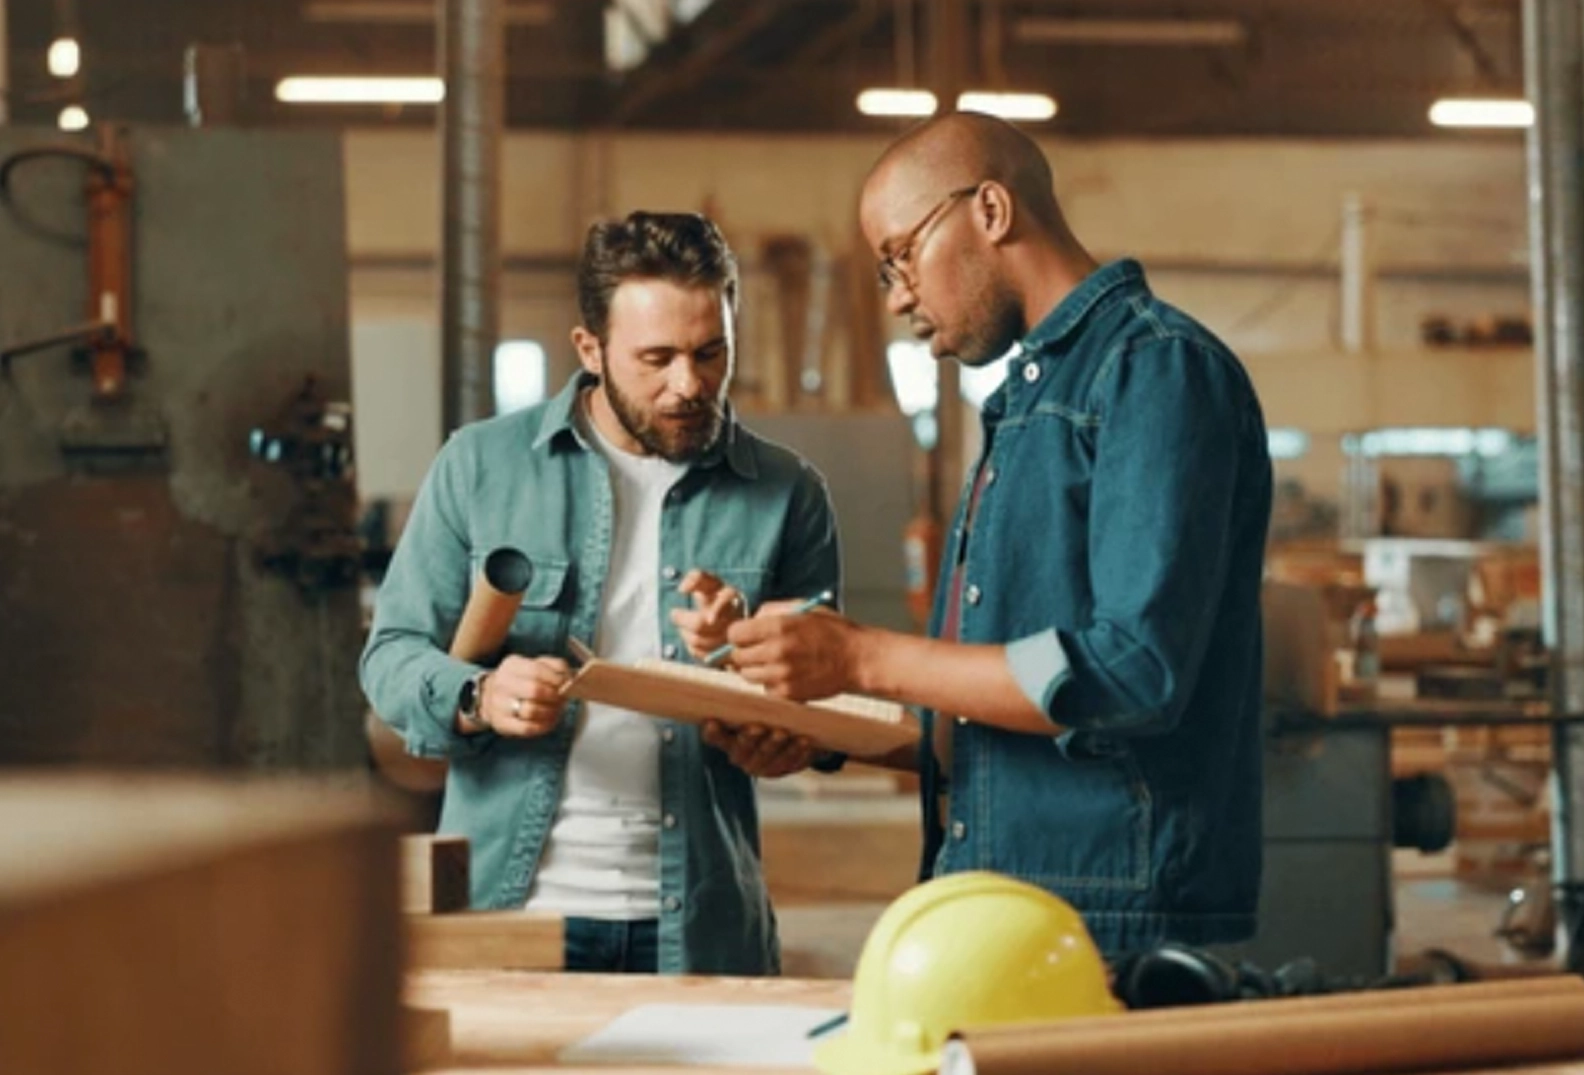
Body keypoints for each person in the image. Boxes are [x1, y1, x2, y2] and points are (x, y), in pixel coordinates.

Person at [724, 112, 1273, 958]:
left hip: (1108, 918)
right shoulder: (1026, 405)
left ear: (989, 210)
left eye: (900, 256)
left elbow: (1134, 670)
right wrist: (822, 728)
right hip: (1003, 892)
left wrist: (862, 655)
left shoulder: (1153, 370)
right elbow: (1008, 708)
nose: (899, 295)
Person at [360, 211, 839, 976]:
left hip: (703, 925)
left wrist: (778, 721)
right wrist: (480, 693)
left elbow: (824, 708)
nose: (689, 384)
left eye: (710, 352)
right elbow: (388, 661)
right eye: (656, 358)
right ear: (590, 348)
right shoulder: (480, 467)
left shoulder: (788, 493)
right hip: (514, 912)